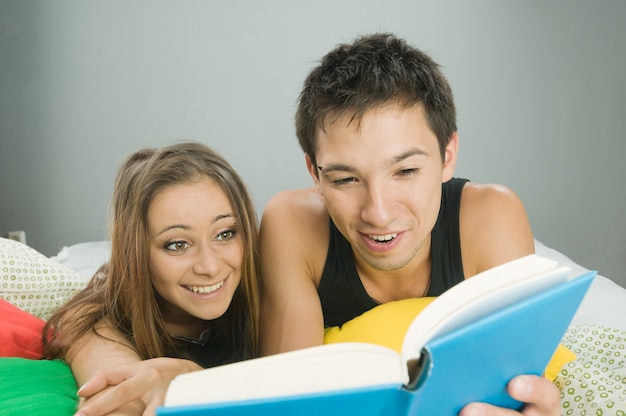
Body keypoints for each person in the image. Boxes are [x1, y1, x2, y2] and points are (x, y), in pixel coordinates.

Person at [259, 33, 561, 415]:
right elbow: (289, 402)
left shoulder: (490, 217)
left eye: (406, 171)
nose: (379, 213)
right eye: (345, 179)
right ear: (314, 174)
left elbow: (513, 393)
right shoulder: (292, 223)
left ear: (447, 156)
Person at [43, 142, 261, 415]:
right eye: (178, 244)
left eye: (225, 234)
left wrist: (191, 379)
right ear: (135, 253)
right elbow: (117, 394)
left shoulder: (272, 288)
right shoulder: (94, 318)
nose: (210, 266)